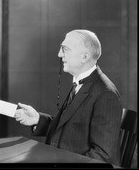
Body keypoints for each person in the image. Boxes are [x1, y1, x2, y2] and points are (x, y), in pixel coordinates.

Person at [15, 29, 122, 166]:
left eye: (65, 49)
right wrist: (37, 119)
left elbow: (103, 156)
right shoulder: (81, 83)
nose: (59, 54)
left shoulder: (106, 94)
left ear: (84, 57)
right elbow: (72, 129)